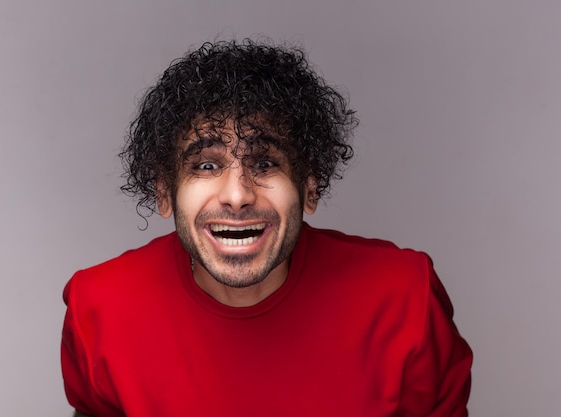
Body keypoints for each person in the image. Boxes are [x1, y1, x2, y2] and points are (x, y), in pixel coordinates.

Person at [61, 39, 472, 417]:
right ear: (166, 193)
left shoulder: (405, 298)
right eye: (206, 165)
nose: (237, 196)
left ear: (309, 188)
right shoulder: (98, 308)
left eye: (265, 163)